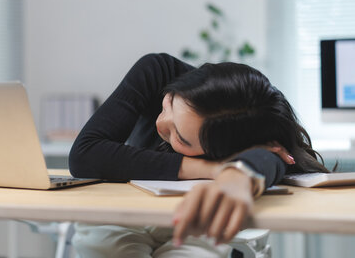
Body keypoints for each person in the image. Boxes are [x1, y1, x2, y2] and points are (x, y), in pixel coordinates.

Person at [68, 53, 328, 258]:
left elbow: (269, 159)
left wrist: (236, 177)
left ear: (222, 150)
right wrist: (212, 169)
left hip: (192, 220)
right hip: (126, 215)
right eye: (169, 102)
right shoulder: (158, 71)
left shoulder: (245, 130)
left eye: (180, 138)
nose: (161, 124)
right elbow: (85, 154)